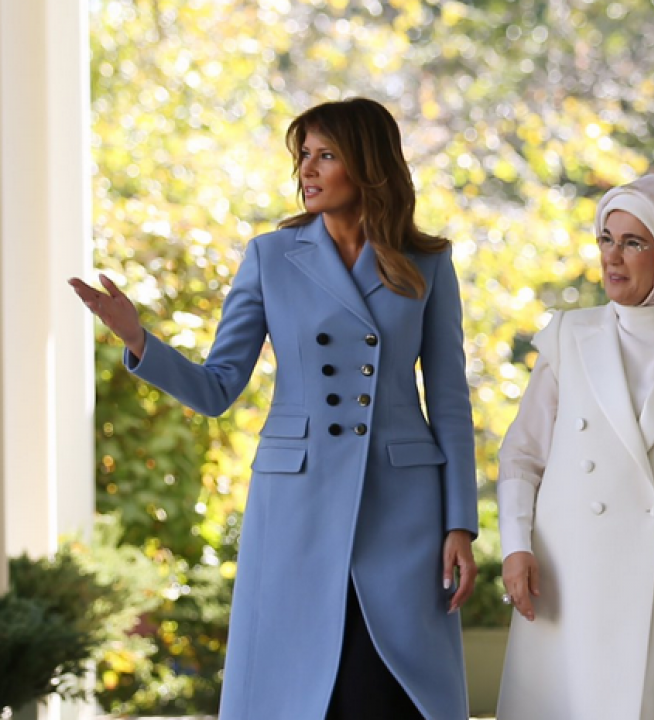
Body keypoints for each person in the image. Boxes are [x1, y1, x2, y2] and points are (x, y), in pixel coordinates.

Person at [70, 97, 478, 720]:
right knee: (305, 686)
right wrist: (138, 340)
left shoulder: (427, 261)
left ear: (367, 166)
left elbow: (448, 400)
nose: (307, 171)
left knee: (391, 689)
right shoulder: (271, 257)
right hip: (297, 499)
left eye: (325, 156)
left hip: (403, 507)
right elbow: (217, 388)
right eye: (303, 157)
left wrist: (460, 524)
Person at [496, 173, 654, 719]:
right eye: (606, 239)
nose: (613, 257)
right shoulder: (569, 335)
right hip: (570, 577)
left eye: (634, 242)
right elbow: (523, 455)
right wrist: (515, 544)